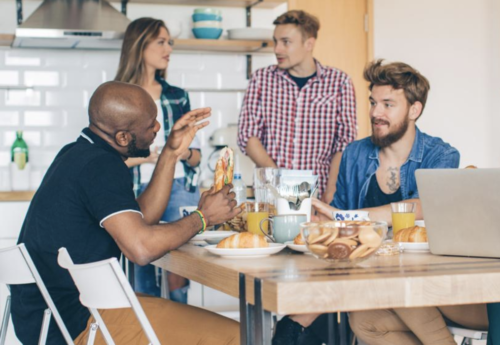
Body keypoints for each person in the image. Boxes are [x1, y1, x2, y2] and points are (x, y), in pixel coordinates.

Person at [272, 60, 488, 345]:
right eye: (373, 102)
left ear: (414, 109)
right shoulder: (356, 154)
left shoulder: (441, 155)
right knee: (365, 320)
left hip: (432, 283)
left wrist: (347, 218)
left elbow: (423, 206)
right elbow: (339, 220)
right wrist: (323, 222)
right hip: (376, 281)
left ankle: (304, 317)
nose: (375, 112)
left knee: (388, 282)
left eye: (388, 104)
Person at [11, 81, 242, 345]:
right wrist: (204, 218)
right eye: (150, 124)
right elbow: (141, 248)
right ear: (122, 137)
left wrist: (170, 152)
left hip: (45, 318)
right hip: (78, 321)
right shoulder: (102, 166)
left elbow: (139, 219)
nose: (158, 127)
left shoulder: (77, 153)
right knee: (237, 336)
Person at [115, 17, 199, 303]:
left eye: (170, 42)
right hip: (134, 190)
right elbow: (107, 160)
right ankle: (148, 328)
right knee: (141, 264)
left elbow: (196, 157)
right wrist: (148, 158)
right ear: (139, 46)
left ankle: (181, 325)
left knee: (180, 267)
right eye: (161, 42)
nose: (168, 49)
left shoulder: (177, 97)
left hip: (178, 189)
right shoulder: (118, 97)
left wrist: (179, 152)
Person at [237, 10, 357, 203]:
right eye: (275, 41)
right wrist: (280, 181)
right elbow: (248, 136)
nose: (277, 49)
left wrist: (331, 190)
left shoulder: (339, 82)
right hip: (270, 194)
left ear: (309, 44)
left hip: (319, 194)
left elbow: (344, 143)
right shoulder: (261, 79)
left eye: (286, 42)